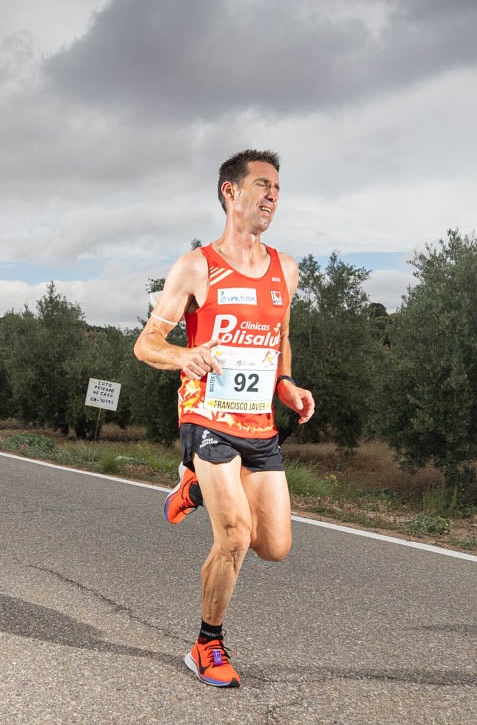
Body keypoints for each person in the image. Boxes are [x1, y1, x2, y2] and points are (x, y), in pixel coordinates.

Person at [133, 149, 315, 688]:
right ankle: (206, 645)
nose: (272, 196)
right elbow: (147, 344)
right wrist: (182, 355)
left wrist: (286, 384)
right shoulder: (196, 266)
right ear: (229, 193)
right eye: (261, 185)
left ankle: (191, 489)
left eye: (278, 188)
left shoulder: (287, 269)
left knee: (274, 545)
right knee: (234, 536)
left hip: (259, 423)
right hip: (207, 414)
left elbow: (279, 337)